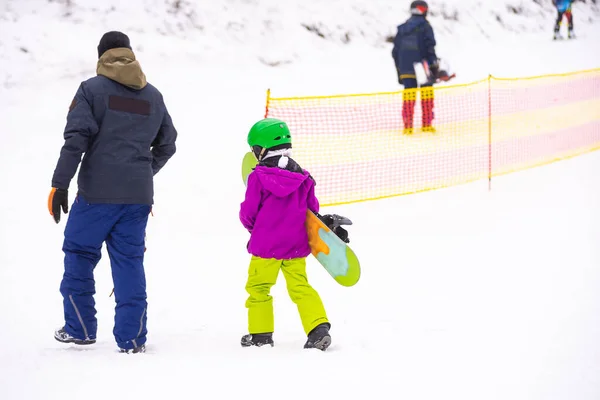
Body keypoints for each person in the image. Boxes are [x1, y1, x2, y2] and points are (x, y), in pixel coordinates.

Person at [48, 31, 177, 354]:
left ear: (101, 56)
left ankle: (79, 329)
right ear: (129, 54)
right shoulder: (153, 96)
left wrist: (60, 184)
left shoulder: (91, 91)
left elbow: (75, 140)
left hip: (95, 195)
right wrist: (143, 172)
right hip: (137, 199)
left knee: (79, 255)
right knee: (129, 264)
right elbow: (168, 142)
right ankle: (132, 339)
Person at [239, 118, 345, 351]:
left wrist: (256, 230)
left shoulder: (257, 177)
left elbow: (248, 212)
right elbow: (312, 211)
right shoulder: (304, 178)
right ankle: (318, 328)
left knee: (259, 288)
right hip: (295, 247)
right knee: (300, 286)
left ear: (260, 149)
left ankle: (261, 335)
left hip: (266, 248)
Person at [391, 0, 439, 134]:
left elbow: (395, 52)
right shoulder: (425, 27)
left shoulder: (402, 28)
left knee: (409, 95)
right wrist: (434, 66)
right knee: (427, 94)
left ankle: (408, 126)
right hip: (423, 67)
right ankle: (427, 124)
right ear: (424, 10)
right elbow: (430, 48)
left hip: (406, 67)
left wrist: (400, 71)